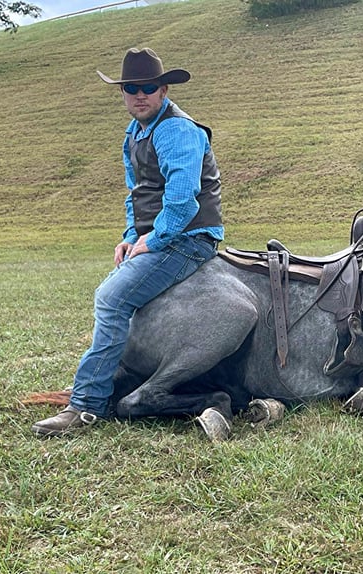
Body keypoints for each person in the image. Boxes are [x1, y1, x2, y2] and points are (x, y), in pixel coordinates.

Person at [32, 48, 223, 437]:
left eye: (148, 88)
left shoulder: (177, 130)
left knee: (111, 298)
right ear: (122, 93)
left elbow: (183, 198)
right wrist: (131, 236)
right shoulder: (136, 132)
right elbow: (137, 193)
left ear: (163, 89)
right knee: (121, 300)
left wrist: (155, 238)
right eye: (131, 88)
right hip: (161, 235)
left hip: (189, 238)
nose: (140, 95)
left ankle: (86, 406)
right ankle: (113, 379)